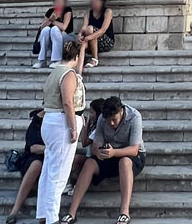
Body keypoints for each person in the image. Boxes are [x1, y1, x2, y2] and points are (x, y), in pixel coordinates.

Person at [61, 96, 145, 224]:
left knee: (125, 162)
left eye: (114, 119)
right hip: (108, 153)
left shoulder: (134, 117)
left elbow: (134, 149)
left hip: (131, 156)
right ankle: (71, 213)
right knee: (89, 163)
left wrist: (114, 152)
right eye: (108, 120)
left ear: (121, 111)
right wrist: (98, 151)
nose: (111, 123)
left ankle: (124, 212)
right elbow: (95, 144)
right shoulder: (102, 119)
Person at [36, 39, 85, 224]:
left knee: (49, 170)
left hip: (50, 120)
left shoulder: (55, 71)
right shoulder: (68, 74)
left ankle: (43, 214)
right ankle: (52, 218)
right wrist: (73, 127)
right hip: (61, 123)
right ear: (78, 56)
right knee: (59, 174)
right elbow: (67, 102)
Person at [6, 108, 45, 224]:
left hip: (51, 158)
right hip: (34, 157)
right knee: (37, 164)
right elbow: (33, 148)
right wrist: (52, 149)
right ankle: (14, 210)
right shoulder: (37, 122)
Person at [33, 0, 77, 68]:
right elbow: (42, 27)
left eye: (61, 1)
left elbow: (64, 27)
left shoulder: (67, 10)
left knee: (55, 29)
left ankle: (57, 60)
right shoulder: (50, 11)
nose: (59, 3)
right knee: (46, 29)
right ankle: (42, 60)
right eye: (57, 1)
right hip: (54, 40)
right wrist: (50, 18)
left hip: (67, 38)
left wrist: (53, 21)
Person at [76, 0, 115, 69]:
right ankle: (78, 70)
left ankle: (95, 59)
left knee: (90, 29)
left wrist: (88, 37)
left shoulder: (108, 12)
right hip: (90, 41)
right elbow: (84, 27)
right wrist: (80, 35)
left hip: (106, 41)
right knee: (83, 41)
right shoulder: (88, 13)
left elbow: (103, 30)